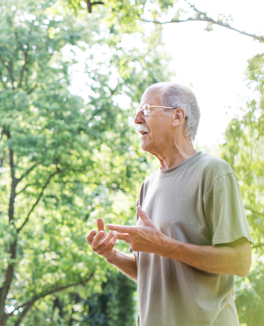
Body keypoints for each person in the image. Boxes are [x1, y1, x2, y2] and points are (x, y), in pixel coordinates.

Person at [86, 82, 252, 326]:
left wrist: (166, 246)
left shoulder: (214, 172)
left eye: (147, 109)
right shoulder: (148, 186)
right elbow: (150, 271)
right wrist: (112, 255)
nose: (136, 119)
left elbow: (240, 261)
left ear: (177, 116)